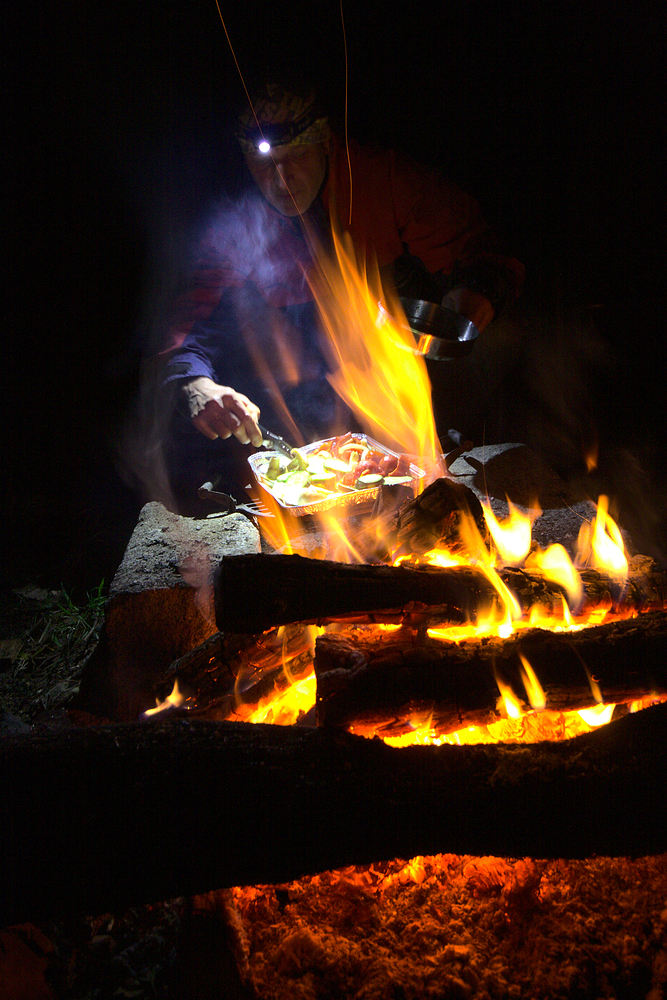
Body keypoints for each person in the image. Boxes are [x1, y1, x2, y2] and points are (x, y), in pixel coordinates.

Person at [159, 78, 524, 508]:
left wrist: (476, 294)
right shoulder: (237, 221)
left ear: (327, 144)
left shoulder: (379, 178)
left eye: (296, 156)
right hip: (304, 388)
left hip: (401, 356)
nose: (281, 180)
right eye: (264, 164)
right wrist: (194, 383)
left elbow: (479, 245)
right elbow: (186, 326)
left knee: (500, 351)